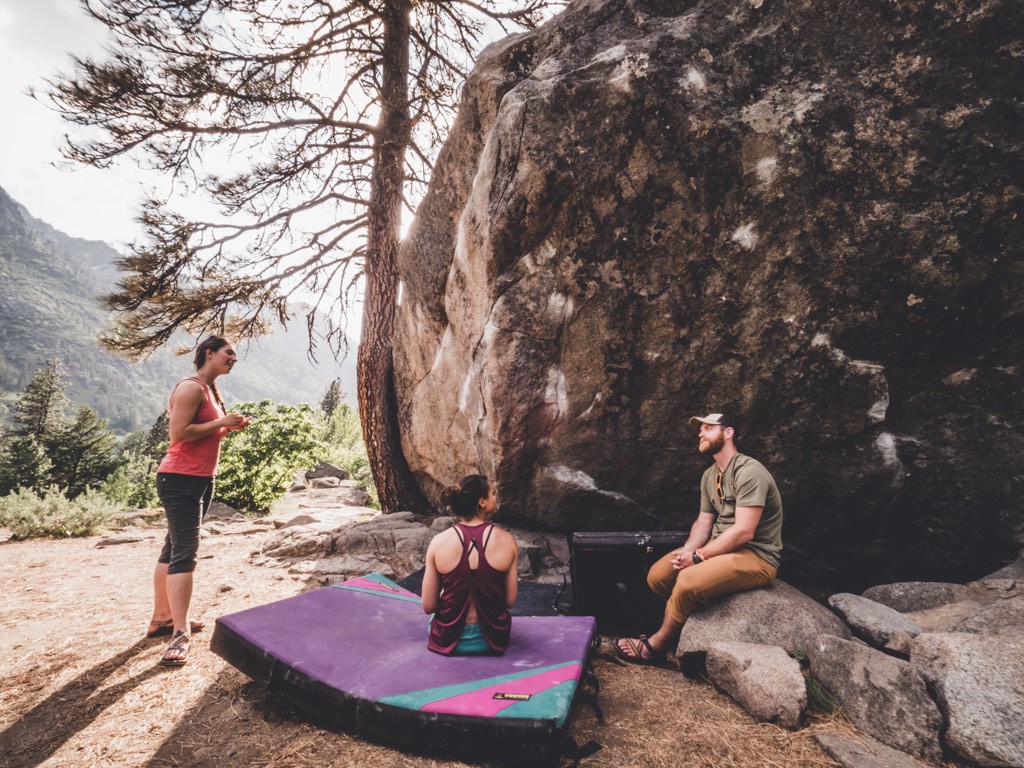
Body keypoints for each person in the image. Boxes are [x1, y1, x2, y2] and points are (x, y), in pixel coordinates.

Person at [616, 412, 783, 664]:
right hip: (723, 550)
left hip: (756, 556)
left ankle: (658, 645)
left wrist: (699, 556)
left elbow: (744, 531)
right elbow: (704, 522)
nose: (700, 433)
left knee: (686, 580)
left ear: (728, 432)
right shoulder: (710, 476)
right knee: (658, 576)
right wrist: (687, 551)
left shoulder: (749, 471)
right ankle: (682, 625)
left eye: (708, 428)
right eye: (700, 429)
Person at [148, 336, 251, 667]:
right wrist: (221, 422)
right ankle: (179, 633)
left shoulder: (209, 390)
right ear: (210, 353)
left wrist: (226, 427)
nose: (234, 358)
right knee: (184, 553)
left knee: (172, 548)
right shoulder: (191, 387)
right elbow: (178, 434)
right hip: (181, 479)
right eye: (229, 352)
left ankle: (162, 618)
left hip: (198, 478)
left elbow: (201, 431)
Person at [422, 475, 519, 655]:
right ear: (482, 502)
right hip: (492, 639)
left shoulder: (439, 542)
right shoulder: (507, 541)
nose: (495, 497)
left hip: (449, 639)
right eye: (493, 493)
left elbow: (428, 606)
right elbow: (509, 601)